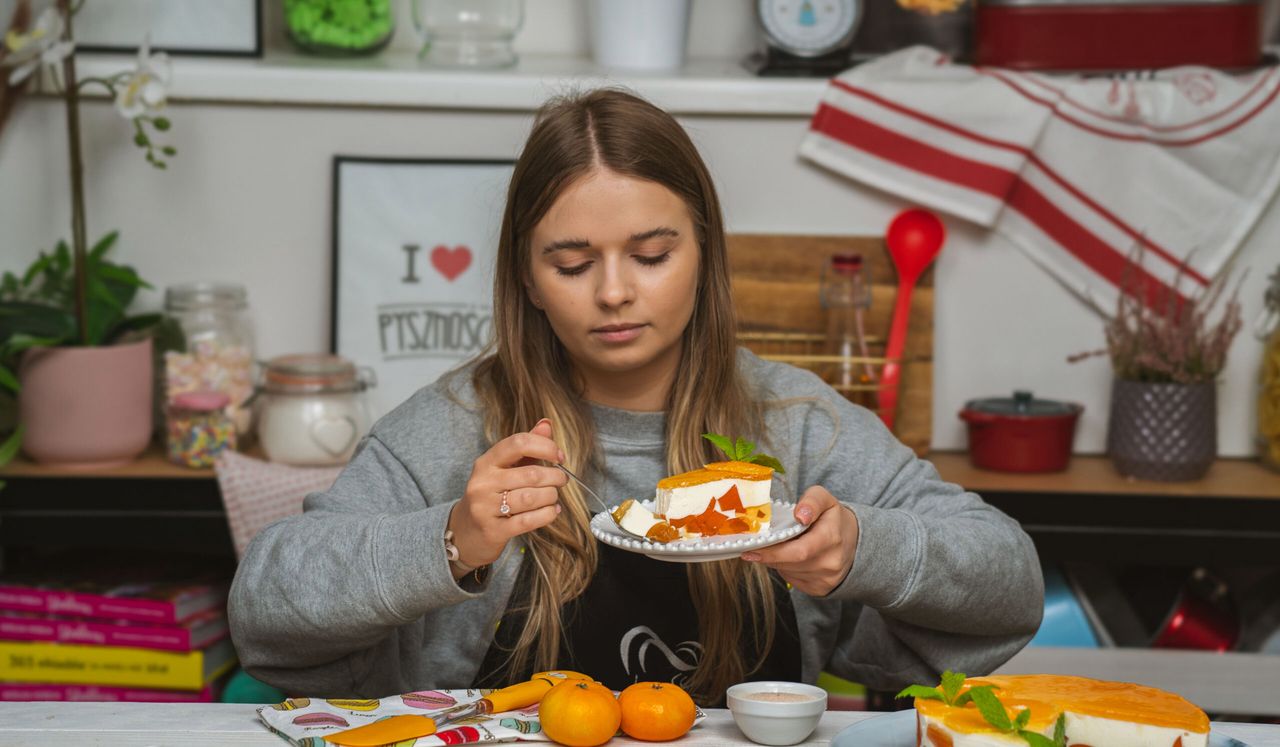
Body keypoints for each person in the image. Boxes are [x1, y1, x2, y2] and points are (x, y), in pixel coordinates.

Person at [229, 88, 1043, 707]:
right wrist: (450, 538)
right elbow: (263, 610)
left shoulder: (798, 426)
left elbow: (1010, 579)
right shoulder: (450, 431)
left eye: (651, 254)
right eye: (573, 264)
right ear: (527, 276)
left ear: (703, 252)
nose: (614, 292)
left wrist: (862, 546)